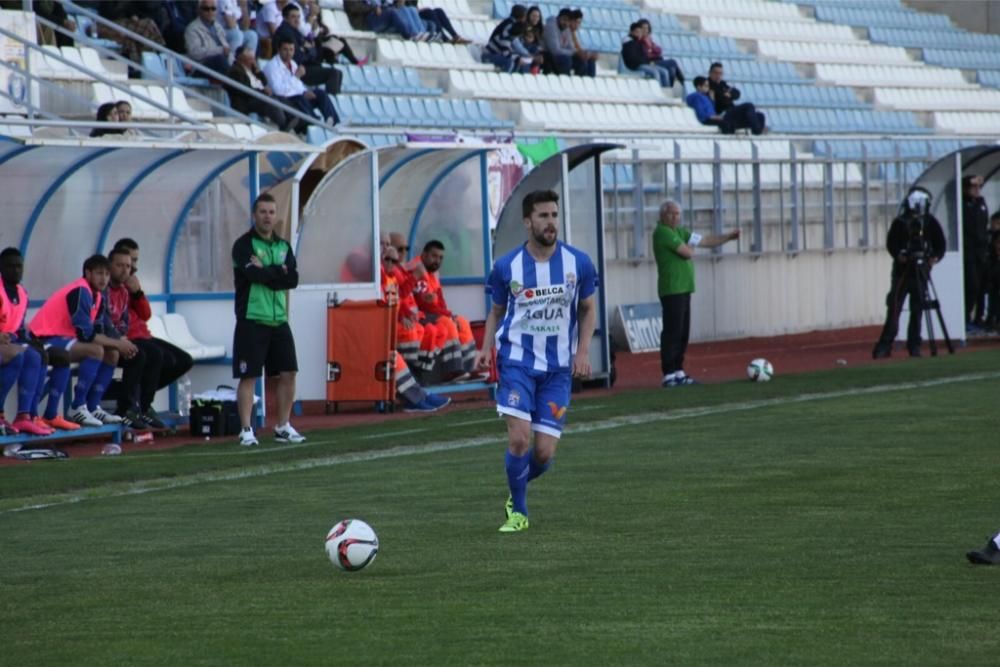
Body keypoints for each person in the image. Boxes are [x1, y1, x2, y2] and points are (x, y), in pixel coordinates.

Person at [474, 189, 598, 533]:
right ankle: (518, 513)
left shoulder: (579, 263)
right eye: (543, 216)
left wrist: (583, 351)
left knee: (543, 454)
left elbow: (588, 308)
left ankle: (518, 487)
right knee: (519, 440)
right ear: (528, 222)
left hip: (557, 370)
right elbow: (496, 311)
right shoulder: (506, 267)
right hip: (516, 362)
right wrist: (486, 348)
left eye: (554, 215)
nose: (551, 222)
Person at [231, 192, 304, 446]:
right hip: (252, 319)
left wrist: (267, 270)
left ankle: (283, 425)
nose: (267, 217)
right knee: (249, 375)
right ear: (254, 215)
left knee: (289, 372)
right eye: (263, 212)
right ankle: (246, 429)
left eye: (271, 212)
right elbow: (254, 277)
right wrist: (276, 273)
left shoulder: (283, 246)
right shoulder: (243, 245)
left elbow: (292, 279)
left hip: (279, 320)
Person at [28, 255, 134, 427]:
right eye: (100, 273)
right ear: (88, 273)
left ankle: (93, 406)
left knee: (112, 354)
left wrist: (118, 343)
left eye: (107, 274)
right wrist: (118, 343)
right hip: (43, 339)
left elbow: (98, 330)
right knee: (96, 350)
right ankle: (77, 406)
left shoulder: (97, 296)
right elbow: (87, 335)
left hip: (64, 339)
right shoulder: (80, 291)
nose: (104, 278)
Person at [653, 200, 739, 387]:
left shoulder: (680, 232)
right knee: (672, 331)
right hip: (671, 288)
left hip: (684, 287)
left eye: (678, 214)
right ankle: (668, 373)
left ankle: (678, 370)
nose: (676, 217)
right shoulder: (663, 232)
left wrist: (728, 237)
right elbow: (687, 252)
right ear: (663, 215)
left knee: (683, 331)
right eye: (672, 214)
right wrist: (690, 248)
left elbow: (705, 241)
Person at [110, 238, 193, 427]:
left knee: (183, 360)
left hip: (143, 335)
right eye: (127, 262)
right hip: (128, 338)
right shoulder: (112, 285)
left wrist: (137, 292)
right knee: (154, 356)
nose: (130, 267)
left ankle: (138, 399)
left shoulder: (131, 284)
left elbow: (145, 314)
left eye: (134, 262)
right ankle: (136, 404)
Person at [0, 247, 74, 433]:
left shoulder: (22, 293)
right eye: (10, 266)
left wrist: (28, 339)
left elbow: (17, 326)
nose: (16, 270)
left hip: (11, 341)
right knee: (25, 356)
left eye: (19, 266)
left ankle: (28, 416)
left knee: (39, 353)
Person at [872, 187, 947, 359]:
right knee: (895, 308)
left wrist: (933, 257)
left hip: (920, 273)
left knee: (918, 308)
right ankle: (885, 344)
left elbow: (940, 244)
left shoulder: (929, 222)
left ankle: (914, 345)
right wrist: (900, 256)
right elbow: (892, 244)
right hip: (902, 273)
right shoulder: (900, 222)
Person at [378, 235, 451, 412]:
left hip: (399, 323)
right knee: (416, 335)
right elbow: (396, 297)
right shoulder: (381, 272)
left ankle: (421, 389)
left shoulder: (394, 272)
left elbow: (398, 300)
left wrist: (404, 314)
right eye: (389, 257)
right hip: (381, 329)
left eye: (404, 250)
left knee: (436, 329)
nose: (392, 261)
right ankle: (416, 396)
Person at [406, 240, 478, 375]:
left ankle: (469, 368)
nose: (437, 260)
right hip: (419, 315)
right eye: (434, 256)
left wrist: (449, 314)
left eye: (440, 257)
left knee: (463, 322)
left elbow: (440, 301)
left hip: (431, 313)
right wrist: (448, 316)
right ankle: (453, 370)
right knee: (448, 323)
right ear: (424, 255)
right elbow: (426, 306)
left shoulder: (433, 272)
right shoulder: (417, 270)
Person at [262, 36, 339, 131]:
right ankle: (315, 122)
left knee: (320, 93)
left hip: (299, 98)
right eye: (285, 50)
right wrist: (297, 77)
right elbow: (279, 91)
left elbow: (298, 85)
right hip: (286, 101)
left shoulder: (293, 64)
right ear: (279, 50)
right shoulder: (272, 67)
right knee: (300, 97)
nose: (289, 53)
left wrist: (304, 91)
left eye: (291, 50)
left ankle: (333, 122)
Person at [272, 3, 342, 94]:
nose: (297, 20)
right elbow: (296, 56)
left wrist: (306, 50)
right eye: (293, 17)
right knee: (334, 73)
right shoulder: (286, 32)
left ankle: (331, 100)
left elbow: (311, 50)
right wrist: (308, 51)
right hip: (297, 69)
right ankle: (332, 101)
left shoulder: (294, 31)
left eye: (298, 17)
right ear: (285, 18)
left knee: (338, 73)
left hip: (306, 65)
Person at [225, 46, 292, 131]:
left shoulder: (252, 70)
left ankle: (292, 119)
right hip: (246, 101)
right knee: (270, 102)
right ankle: (283, 125)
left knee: (281, 98)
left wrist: (257, 70)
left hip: (258, 96)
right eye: (249, 56)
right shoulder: (235, 70)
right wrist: (263, 91)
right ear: (240, 57)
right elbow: (245, 90)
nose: (252, 58)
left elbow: (264, 82)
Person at [686, 76, 766, 135]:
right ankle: (757, 130)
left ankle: (757, 131)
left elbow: (710, 109)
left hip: (722, 117)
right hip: (722, 117)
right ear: (698, 87)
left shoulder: (706, 97)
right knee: (749, 105)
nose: (708, 88)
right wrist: (716, 117)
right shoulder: (697, 97)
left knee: (760, 116)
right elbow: (703, 114)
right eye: (706, 86)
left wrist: (712, 100)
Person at [961, 174, 990, 333]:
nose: (977, 190)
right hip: (969, 252)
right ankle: (964, 318)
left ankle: (978, 319)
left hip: (981, 252)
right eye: (974, 187)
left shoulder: (981, 203)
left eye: (979, 187)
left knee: (981, 287)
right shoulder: (962, 203)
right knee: (971, 286)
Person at [622, 22, 674, 88]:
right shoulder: (629, 43)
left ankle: (667, 91)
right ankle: (658, 91)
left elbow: (647, 54)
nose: (639, 34)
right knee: (655, 73)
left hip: (644, 63)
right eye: (637, 32)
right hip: (635, 66)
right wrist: (647, 62)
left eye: (640, 32)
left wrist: (649, 61)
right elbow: (633, 58)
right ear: (631, 32)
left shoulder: (639, 43)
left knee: (664, 72)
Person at [185, 1, 232, 75]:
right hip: (201, 67)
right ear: (199, 10)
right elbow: (194, 53)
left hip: (222, 65)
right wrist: (220, 50)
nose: (210, 11)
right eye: (206, 9)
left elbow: (226, 49)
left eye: (213, 8)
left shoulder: (218, 26)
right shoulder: (192, 29)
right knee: (220, 59)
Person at [482, 3, 526, 72]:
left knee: (517, 62)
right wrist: (518, 58)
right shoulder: (507, 31)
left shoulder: (509, 24)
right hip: (490, 55)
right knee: (510, 62)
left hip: (498, 53)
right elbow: (505, 51)